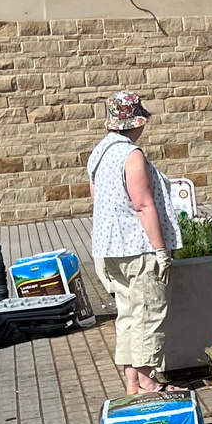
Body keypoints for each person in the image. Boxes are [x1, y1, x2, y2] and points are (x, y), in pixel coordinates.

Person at [87, 90, 179, 394]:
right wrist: (160, 250)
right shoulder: (131, 154)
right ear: (135, 122)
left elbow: (97, 200)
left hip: (110, 248)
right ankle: (148, 381)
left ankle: (132, 381)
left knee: (127, 313)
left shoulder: (99, 153)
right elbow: (142, 204)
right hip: (137, 246)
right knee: (149, 311)